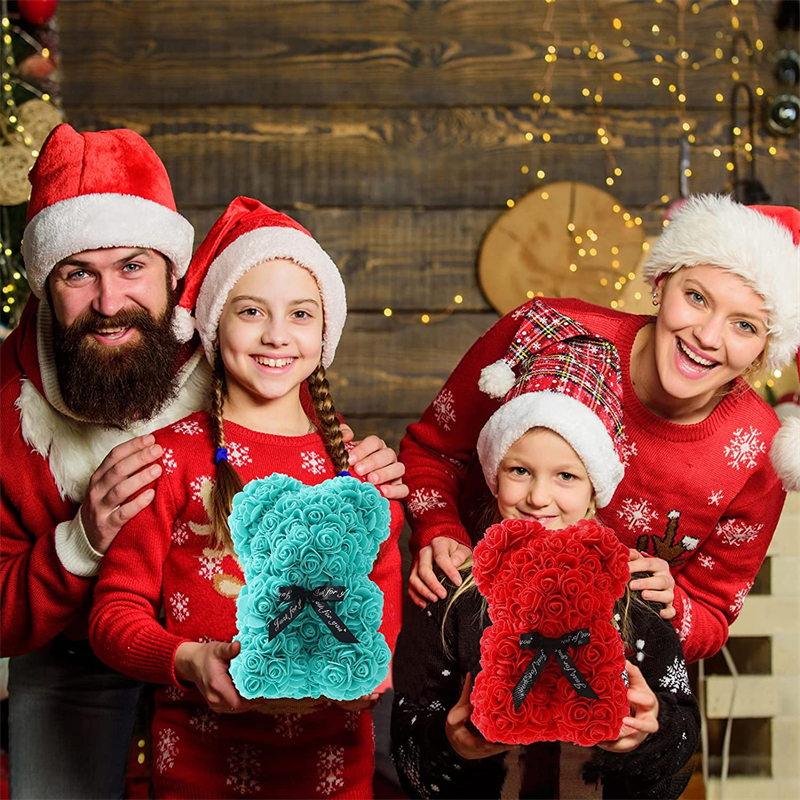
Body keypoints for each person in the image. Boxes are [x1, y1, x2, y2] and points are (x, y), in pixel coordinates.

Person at [0, 127, 405, 799]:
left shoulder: (229, 334)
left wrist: (360, 467)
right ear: (46, 283)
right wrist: (79, 541)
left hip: (258, 684)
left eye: (132, 266)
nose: (109, 301)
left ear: (175, 274)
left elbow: (288, 398)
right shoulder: (7, 409)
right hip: (79, 645)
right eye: (78, 272)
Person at [89, 197, 405, 799]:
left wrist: (369, 665)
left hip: (334, 774)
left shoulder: (357, 471)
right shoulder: (168, 459)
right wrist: (186, 660)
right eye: (252, 311)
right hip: (197, 772)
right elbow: (112, 617)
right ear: (213, 325)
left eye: (301, 314)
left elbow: (384, 600)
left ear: (325, 331)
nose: (277, 335)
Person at [401, 195, 800, 663]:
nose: (709, 337)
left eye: (745, 326)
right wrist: (439, 528)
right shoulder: (549, 334)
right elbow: (431, 454)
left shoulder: (760, 452)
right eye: (696, 298)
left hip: (609, 688)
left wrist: (673, 609)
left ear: (765, 349)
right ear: (662, 281)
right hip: (466, 641)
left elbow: (712, 616)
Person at [392, 314, 700, 799]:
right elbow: (408, 731)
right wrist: (450, 742)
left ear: (596, 490)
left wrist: (651, 729)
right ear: (493, 474)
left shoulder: (635, 591)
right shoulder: (453, 593)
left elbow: (682, 727)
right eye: (519, 470)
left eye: (566, 477)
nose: (538, 497)